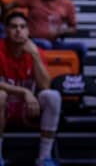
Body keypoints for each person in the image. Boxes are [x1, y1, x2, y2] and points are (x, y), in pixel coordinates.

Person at [0, 11, 62, 166]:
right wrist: (25, 91)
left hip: (28, 108)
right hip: (5, 105)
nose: (18, 30)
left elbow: (45, 86)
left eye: (22, 27)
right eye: (14, 27)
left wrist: (35, 56)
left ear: (28, 31)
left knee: (52, 96)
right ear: (6, 30)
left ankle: (44, 158)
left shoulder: (36, 51)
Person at [10, 0, 87, 70]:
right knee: (45, 44)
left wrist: (63, 31)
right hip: (33, 41)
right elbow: (12, 4)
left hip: (55, 42)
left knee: (82, 47)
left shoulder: (67, 3)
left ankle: (78, 78)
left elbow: (73, 28)